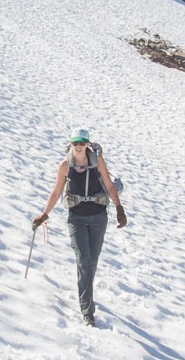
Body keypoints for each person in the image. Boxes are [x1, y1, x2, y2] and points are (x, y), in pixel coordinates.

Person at [33, 128, 126, 327]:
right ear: (71, 144)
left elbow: (109, 185)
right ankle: (87, 311)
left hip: (99, 217)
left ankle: (86, 294)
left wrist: (119, 208)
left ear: (87, 144)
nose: (78, 146)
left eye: (82, 143)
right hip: (76, 219)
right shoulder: (65, 166)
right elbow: (57, 191)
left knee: (91, 262)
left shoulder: (97, 161)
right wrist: (44, 215)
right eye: (75, 142)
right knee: (83, 260)